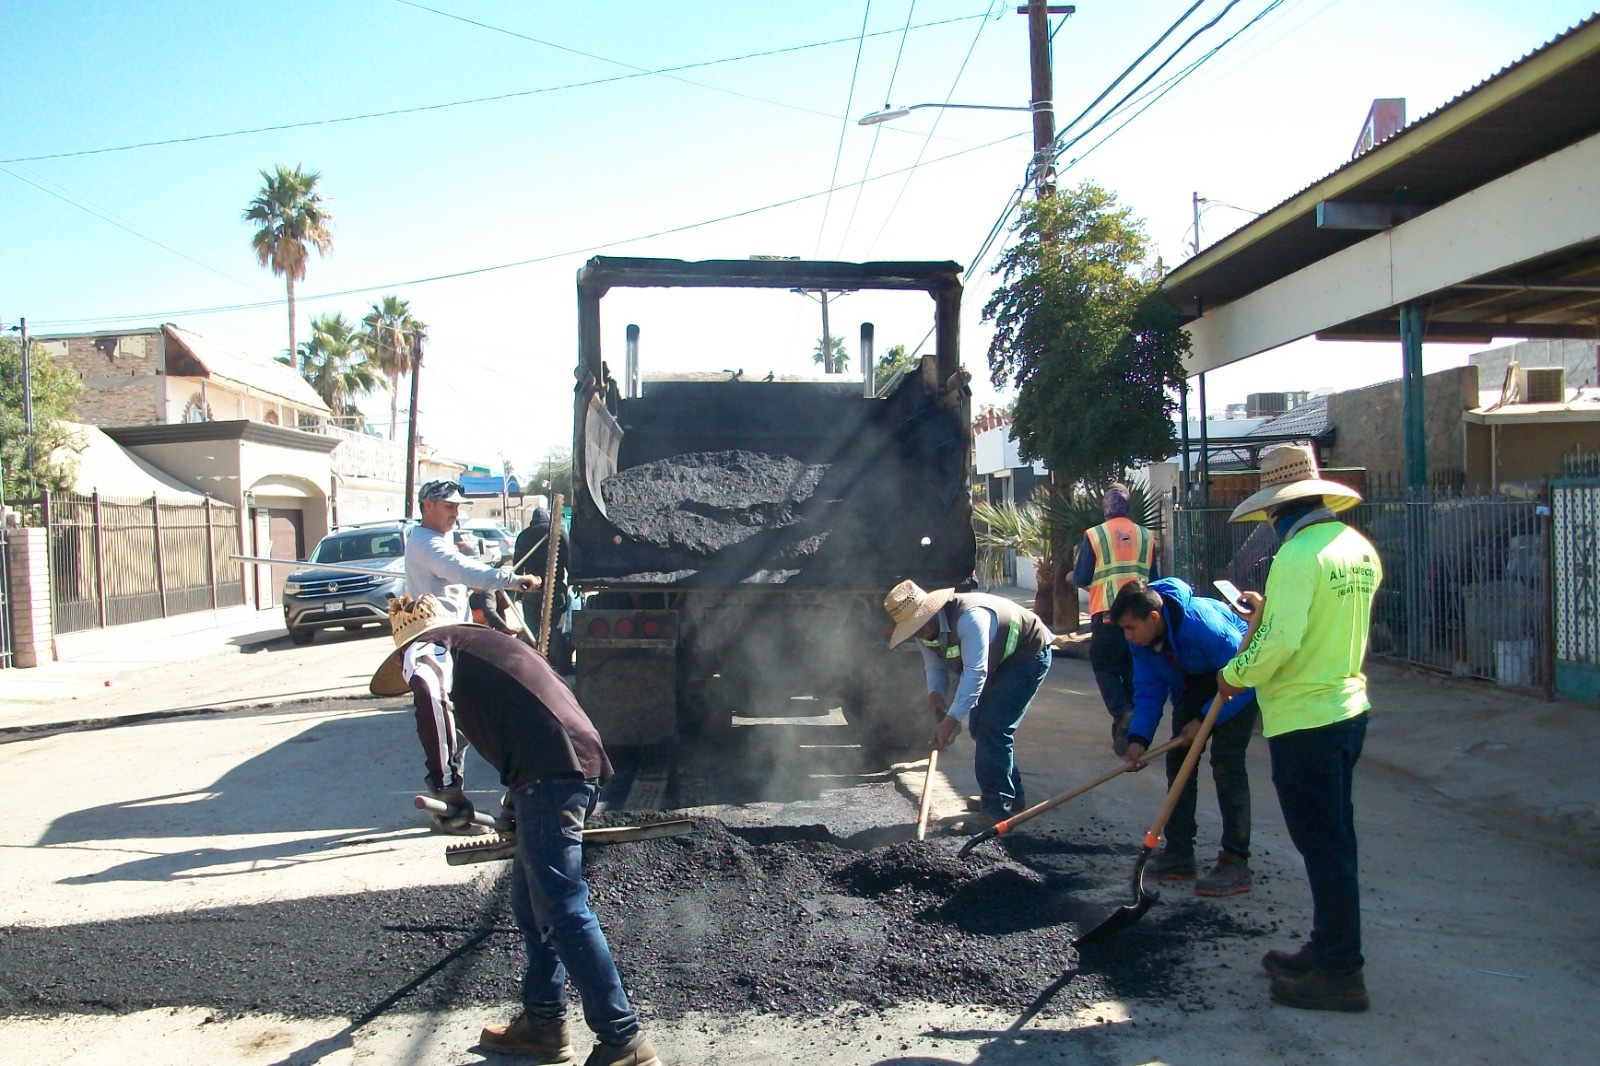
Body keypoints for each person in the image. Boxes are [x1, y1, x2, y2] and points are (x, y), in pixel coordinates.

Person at [370, 594, 662, 1066]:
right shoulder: (485, 645)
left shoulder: (426, 649)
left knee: (560, 904)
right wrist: (515, 797)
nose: (407, 670)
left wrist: (446, 785)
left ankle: (623, 1040)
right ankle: (544, 1023)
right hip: (565, 764)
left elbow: (430, 694)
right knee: (532, 900)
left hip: (549, 771)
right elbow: (517, 713)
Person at [1215, 444, 1381, 1013]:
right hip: (1347, 708)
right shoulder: (1355, 549)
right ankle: (1329, 945)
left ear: (1281, 510)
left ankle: (1341, 973)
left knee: (1323, 846)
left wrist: (1234, 673)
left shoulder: (1296, 557)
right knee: (1336, 841)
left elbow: (1279, 644)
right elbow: (1313, 623)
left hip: (1306, 721)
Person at [1112, 577, 1259, 896]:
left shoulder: (1203, 624)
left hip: (1238, 677)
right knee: (1178, 761)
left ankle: (1236, 861)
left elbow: (1247, 676)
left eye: (1130, 628)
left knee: (1226, 764)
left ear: (1153, 618)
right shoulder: (1141, 643)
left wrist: (1205, 718)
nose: (1128, 637)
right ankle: (1180, 855)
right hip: (1192, 681)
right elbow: (1149, 691)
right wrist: (1139, 739)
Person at [884, 579, 1053, 833]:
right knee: (980, 726)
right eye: (911, 630)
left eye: (918, 626)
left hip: (1027, 655)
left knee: (993, 728)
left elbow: (975, 674)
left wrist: (950, 720)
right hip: (997, 663)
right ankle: (1010, 793)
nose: (917, 633)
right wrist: (935, 696)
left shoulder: (969, 619)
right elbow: (935, 666)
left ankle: (996, 809)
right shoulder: (923, 632)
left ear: (930, 612)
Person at [1073, 483, 1156, 757]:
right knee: (1133, 673)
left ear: (1105, 507)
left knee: (1105, 667)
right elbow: (1153, 580)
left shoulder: (1095, 535)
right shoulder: (1146, 536)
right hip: (1142, 617)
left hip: (1107, 615)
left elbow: (1083, 577)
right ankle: (1125, 734)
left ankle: (1123, 713)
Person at [406, 480, 539, 624]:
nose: (455, 513)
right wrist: (515, 581)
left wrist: (471, 585)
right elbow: (462, 569)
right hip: (443, 634)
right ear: (428, 505)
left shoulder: (438, 536)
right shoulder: (428, 544)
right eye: (449, 506)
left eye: (457, 507)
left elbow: (451, 577)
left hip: (451, 629)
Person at [514, 505, 573, 672]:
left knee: (531, 627)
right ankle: (561, 666)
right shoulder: (559, 533)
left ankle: (534, 666)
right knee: (558, 628)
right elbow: (571, 561)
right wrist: (574, 582)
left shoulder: (524, 535)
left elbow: (517, 566)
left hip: (532, 589)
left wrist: (516, 591)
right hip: (557, 589)